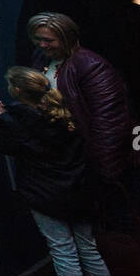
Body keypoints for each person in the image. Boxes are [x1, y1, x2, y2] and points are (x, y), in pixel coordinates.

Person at [0, 67, 118, 276]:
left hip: (46, 196)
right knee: (89, 250)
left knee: (64, 252)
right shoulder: (66, 112)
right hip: (80, 192)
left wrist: (2, 118)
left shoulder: (21, 120)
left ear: (16, 91)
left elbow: (14, 145)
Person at [26, 12, 134, 184]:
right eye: (38, 39)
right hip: (65, 153)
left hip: (89, 152)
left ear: (67, 38)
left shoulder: (90, 65)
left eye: (49, 40)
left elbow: (108, 120)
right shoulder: (41, 58)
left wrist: (104, 168)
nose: (42, 45)